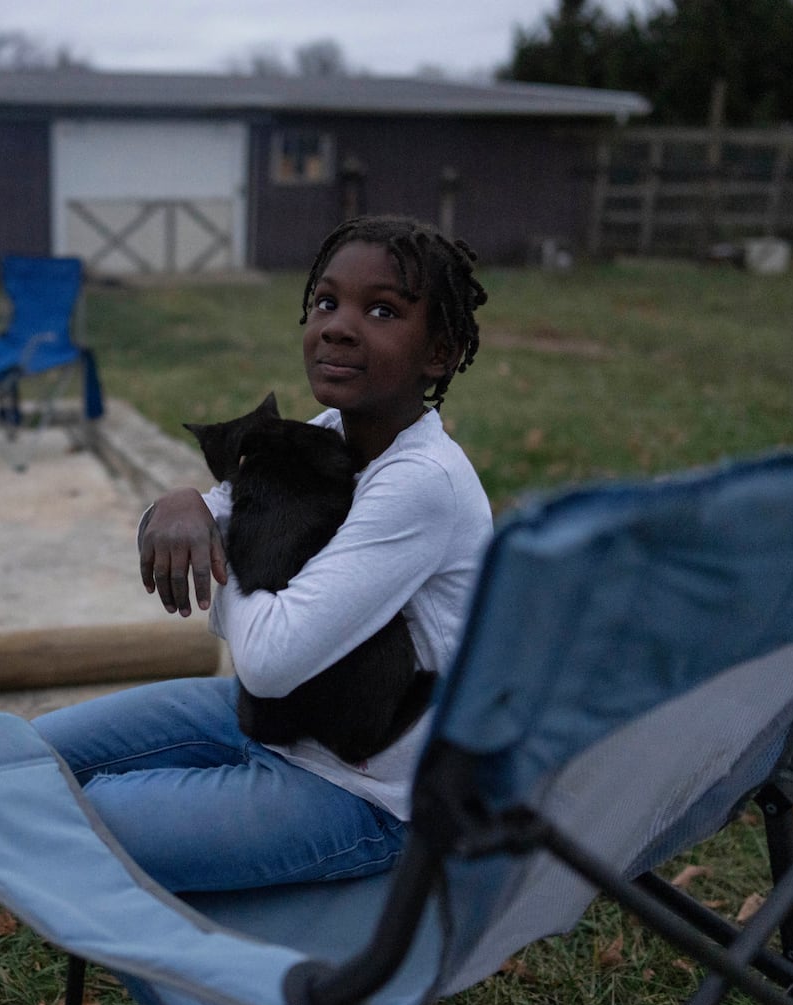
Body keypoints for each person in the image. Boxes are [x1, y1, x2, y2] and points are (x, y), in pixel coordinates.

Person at [33, 214, 493, 894]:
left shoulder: (422, 480)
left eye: (383, 309)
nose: (338, 325)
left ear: (440, 352)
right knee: (31, 757)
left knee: (75, 818)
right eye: (326, 302)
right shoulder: (334, 430)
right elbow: (197, 529)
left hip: (371, 793)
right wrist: (181, 500)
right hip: (280, 723)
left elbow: (269, 656)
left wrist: (231, 552)